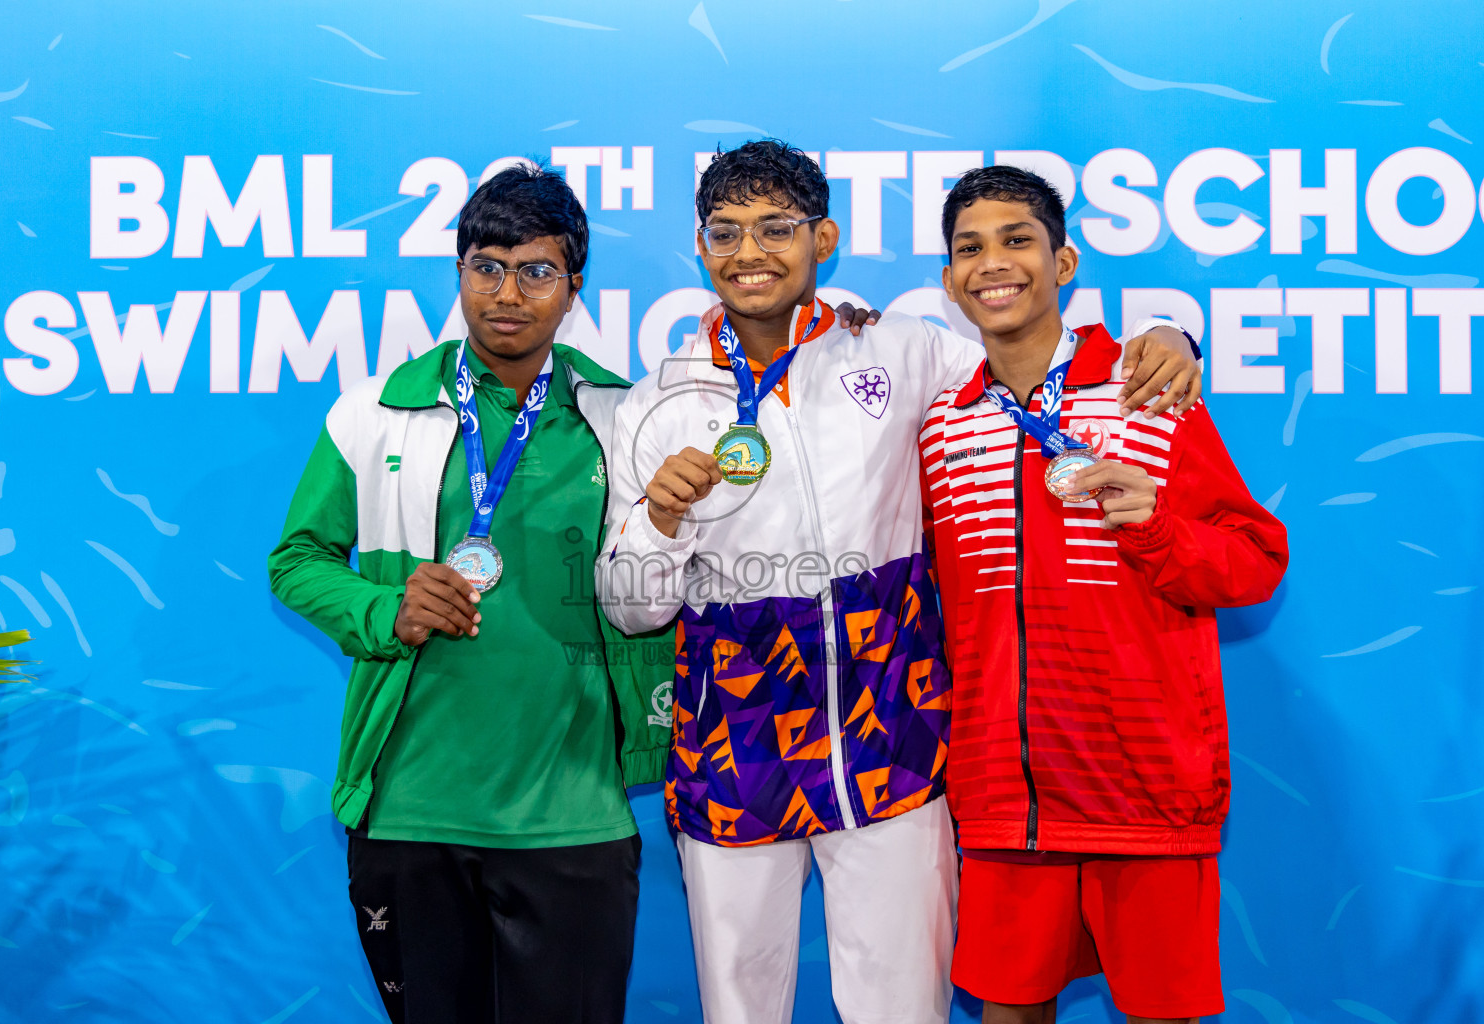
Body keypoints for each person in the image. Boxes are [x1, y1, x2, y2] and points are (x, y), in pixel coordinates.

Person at [595, 139, 1202, 1024]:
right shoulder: (654, 400)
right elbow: (630, 606)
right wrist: (658, 520)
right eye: (725, 232)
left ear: (824, 237)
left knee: (902, 1006)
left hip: (894, 727)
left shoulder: (907, 349)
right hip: (735, 736)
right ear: (700, 248)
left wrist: (1168, 337)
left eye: (776, 228)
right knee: (740, 1005)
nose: (749, 251)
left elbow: (1033, 367)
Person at [267, 164, 674, 1024]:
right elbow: (297, 559)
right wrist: (385, 610)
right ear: (458, 273)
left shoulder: (627, 416)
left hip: (577, 818)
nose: (508, 293)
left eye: (537, 271)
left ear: (574, 288)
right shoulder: (374, 412)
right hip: (414, 814)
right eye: (486, 265)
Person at [918, 165, 1289, 1024]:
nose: (993, 264)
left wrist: (1158, 525)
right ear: (947, 282)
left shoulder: (1152, 393)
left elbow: (1253, 561)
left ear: (1065, 261)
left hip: (1144, 782)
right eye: (969, 248)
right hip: (1004, 790)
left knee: (1162, 1012)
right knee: (1011, 1010)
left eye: (1018, 240)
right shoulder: (941, 423)